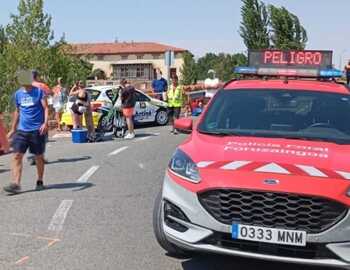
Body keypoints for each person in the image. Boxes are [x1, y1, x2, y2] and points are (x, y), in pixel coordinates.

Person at [4, 70, 49, 194]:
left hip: (37, 130)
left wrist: (45, 123)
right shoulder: (18, 94)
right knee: (17, 155)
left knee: (38, 157)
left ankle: (40, 180)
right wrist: (13, 129)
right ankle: (16, 183)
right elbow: (17, 111)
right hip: (22, 131)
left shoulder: (39, 92)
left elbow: (45, 108)